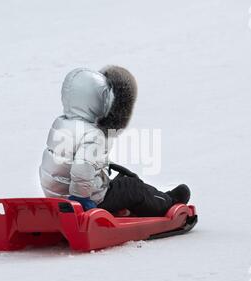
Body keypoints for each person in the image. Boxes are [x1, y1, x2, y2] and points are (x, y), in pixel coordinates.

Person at [39, 66, 190, 216]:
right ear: (98, 100)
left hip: (57, 198)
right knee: (131, 187)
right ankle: (168, 202)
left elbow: (67, 161)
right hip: (83, 201)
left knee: (118, 183)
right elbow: (82, 169)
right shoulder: (94, 134)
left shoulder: (61, 123)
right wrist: (81, 199)